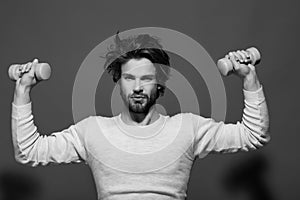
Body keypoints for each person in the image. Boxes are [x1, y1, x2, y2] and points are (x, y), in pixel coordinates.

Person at [11, 33, 270, 200]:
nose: (137, 87)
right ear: (118, 82)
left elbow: (253, 135)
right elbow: (29, 151)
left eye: (146, 79)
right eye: (129, 78)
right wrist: (23, 90)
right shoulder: (93, 131)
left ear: (160, 84)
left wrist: (249, 79)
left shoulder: (187, 127)